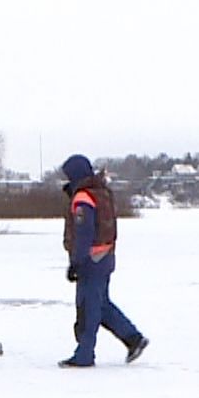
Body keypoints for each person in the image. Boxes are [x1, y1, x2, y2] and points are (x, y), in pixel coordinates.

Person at [57, 154, 148, 368]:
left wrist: (77, 263)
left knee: (89, 307)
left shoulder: (83, 198)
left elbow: (84, 232)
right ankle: (133, 339)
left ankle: (84, 354)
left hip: (91, 260)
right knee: (102, 306)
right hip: (105, 256)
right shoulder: (102, 192)